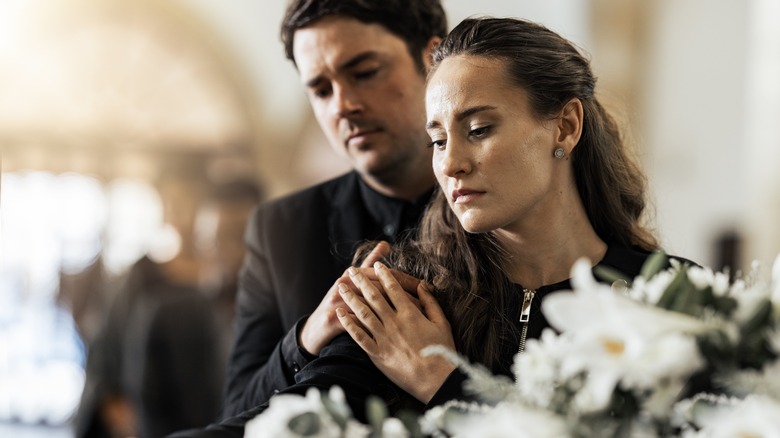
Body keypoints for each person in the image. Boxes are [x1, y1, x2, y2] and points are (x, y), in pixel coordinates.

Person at [169, 16, 692, 438]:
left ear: (566, 125)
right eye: (438, 140)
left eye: (480, 129)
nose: (452, 163)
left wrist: (443, 383)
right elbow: (276, 422)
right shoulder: (414, 295)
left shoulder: (673, 301)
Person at [219, 0, 447, 419]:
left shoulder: (502, 211)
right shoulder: (279, 229)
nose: (342, 105)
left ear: (433, 59)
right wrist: (307, 337)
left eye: (364, 73)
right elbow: (236, 410)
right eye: (321, 90)